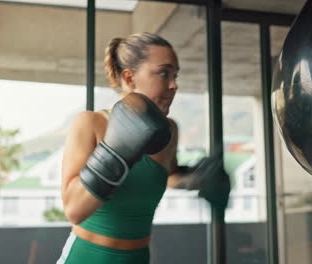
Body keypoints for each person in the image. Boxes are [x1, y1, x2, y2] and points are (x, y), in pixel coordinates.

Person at [57, 32, 229, 264]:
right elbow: (73, 210)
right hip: (88, 256)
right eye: (163, 73)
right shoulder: (91, 123)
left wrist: (195, 179)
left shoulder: (169, 130)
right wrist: (116, 151)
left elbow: (163, 177)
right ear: (129, 78)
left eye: (175, 75)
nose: (174, 85)